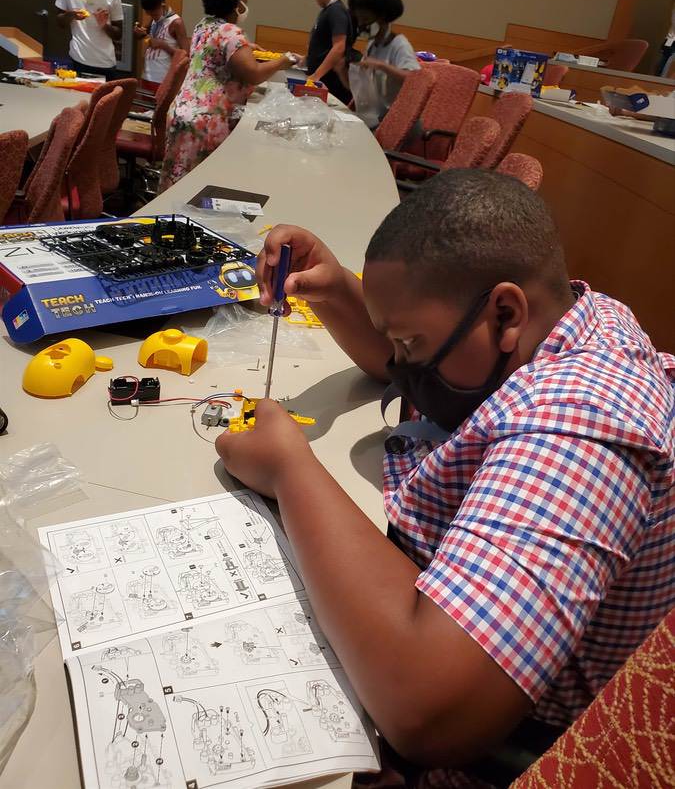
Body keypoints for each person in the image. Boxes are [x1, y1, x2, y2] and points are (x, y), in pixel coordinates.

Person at [215, 169, 675, 787]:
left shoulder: (583, 421)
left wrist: (289, 470)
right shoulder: (564, 319)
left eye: (409, 342)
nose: (400, 365)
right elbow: (437, 362)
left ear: (506, 311)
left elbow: (428, 713)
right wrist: (337, 294)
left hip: (524, 737)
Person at [159, 0, 294, 191]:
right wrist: (282, 61)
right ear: (237, 4)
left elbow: (214, 51)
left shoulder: (204, 25)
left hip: (183, 114)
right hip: (207, 122)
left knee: (178, 183)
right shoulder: (231, 32)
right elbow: (253, 73)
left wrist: (245, 47)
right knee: (199, 191)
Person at [348, 0, 420, 123]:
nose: (361, 25)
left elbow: (414, 78)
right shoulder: (372, 45)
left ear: (382, 18)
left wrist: (382, 65)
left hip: (397, 122)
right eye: (359, 20)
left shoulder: (399, 44)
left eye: (366, 19)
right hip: (376, 116)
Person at [55, 0, 123, 80]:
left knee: (104, 100)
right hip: (79, 59)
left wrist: (104, 25)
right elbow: (59, 21)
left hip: (105, 63)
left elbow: (118, 34)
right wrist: (71, 15)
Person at [305, 0, 353, 104]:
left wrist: (316, 75)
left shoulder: (336, 11)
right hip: (323, 80)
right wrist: (306, 58)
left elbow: (339, 46)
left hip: (330, 84)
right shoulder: (329, 10)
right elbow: (324, 45)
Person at [133, 0, 190, 90]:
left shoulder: (176, 23)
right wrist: (138, 33)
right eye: (149, 13)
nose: (152, 16)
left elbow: (185, 55)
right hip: (147, 75)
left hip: (162, 79)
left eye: (154, 13)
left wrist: (164, 46)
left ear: (162, 5)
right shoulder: (153, 19)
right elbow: (147, 39)